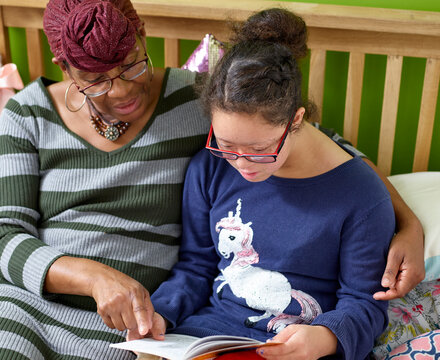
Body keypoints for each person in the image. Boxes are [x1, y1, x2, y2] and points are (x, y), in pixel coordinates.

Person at [0, 0, 423, 359]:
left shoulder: (200, 100)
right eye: (95, 81)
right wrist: (98, 281)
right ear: (65, 69)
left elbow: (318, 149)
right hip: (33, 303)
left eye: (129, 66)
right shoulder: (29, 112)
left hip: (139, 324)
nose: (120, 90)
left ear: (142, 37)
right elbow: (2, 237)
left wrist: (408, 222)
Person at [130, 8, 398, 360]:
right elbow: (196, 266)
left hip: (300, 345)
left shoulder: (360, 195)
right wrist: (159, 313)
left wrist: (325, 338)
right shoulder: (209, 169)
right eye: (226, 146)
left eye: (260, 150)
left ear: (296, 120)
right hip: (208, 336)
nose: (241, 164)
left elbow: (364, 304)